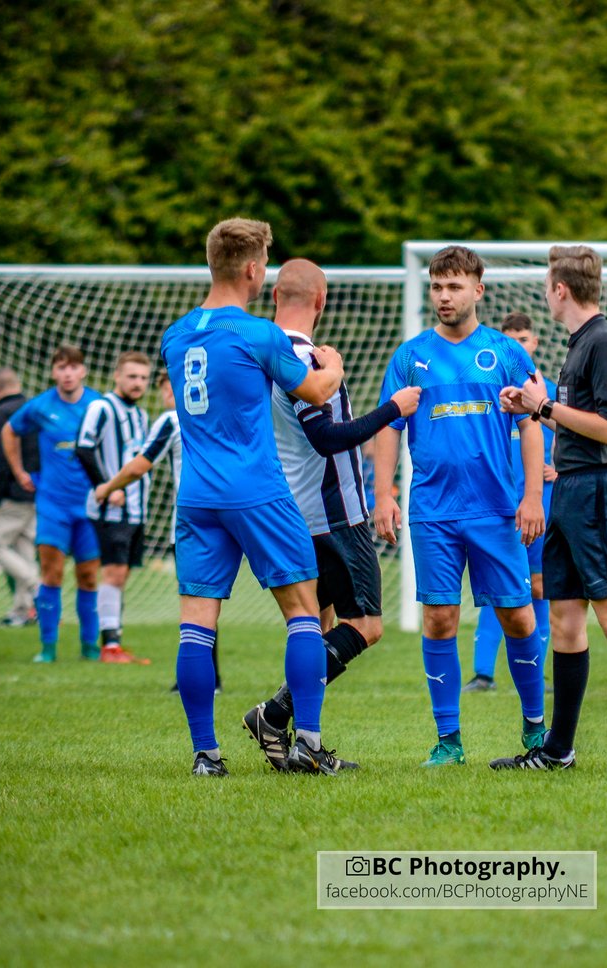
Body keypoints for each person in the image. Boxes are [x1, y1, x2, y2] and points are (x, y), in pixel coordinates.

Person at [160, 217, 346, 777]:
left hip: (196, 495)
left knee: (197, 624)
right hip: (257, 491)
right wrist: (333, 361)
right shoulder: (258, 333)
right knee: (303, 613)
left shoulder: (175, 335)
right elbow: (315, 388)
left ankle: (206, 755)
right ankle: (309, 743)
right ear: (253, 269)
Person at [242, 259, 422, 771]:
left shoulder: (261, 354)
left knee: (313, 627)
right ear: (320, 301)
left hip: (292, 510)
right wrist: (393, 408)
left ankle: (305, 742)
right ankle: (276, 716)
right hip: (333, 515)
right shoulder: (299, 357)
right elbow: (325, 439)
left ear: (276, 294)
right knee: (365, 625)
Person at [373, 245, 548, 767]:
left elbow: (531, 424)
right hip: (433, 512)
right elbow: (388, 425)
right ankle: (448, 741)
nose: (444, 296)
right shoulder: (410, 357)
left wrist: (533, 495)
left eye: (454, 286)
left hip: (495, 511)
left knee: (518, 618)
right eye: (437, 286)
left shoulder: (507, 353)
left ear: (478, 289)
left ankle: (536, 730)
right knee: (440, 620)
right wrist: (384, 493)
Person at [496, 244, 607, 771]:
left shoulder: (604, 342)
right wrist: (532, 407)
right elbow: (576, 421)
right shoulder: (576, 343)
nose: (545, 292)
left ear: (560, 289)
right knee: (563, 619)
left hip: (598, 493)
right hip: (568, 490)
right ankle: (558, 751)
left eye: (547, 284)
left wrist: (544, 407)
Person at [93, 371, 222, 692]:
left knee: (196, 606)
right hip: (231, 519)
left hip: (194, 524)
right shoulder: (219, 415)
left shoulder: (172, 420)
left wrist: (108, 486)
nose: (165, 393)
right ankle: (213, 678)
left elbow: (140, 464)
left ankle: (196, 681)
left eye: (168, 387)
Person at [463, 312, 558, 693]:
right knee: (495, 586)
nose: (519, 343)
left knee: (539, 586)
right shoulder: (485, 387)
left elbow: (578, 433)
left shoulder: (547, 391)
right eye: (511, 336)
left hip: (542, 502)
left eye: (525, 337)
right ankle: (483, 673)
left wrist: (562, 469)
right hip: (496, 502)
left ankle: (539, 671)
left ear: (534, 343)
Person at [2, 346, 103, 663]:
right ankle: (48, 647)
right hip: (52, 506)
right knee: (51, 573)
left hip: (88, 506)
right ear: (53, 372)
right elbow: (10, 430)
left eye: (73, 367)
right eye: (61, 367)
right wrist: (19, 471)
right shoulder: (41, 406)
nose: (68, 373)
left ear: (83, 371)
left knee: (88, 576)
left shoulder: (98, 405)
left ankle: (89, 646)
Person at [76, 351, 153, 663]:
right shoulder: (101, 407)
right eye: (132, 376)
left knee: (121, 576)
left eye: (143, 378)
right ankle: (109, 646)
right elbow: (83, 449)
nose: (138, 383)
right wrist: (105, 487)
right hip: (112, 510)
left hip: (136, 510)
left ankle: (113, 639)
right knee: (113, 573)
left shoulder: (141, 416)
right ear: (117, 376)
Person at [0, 368, 40, 626]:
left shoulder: (3, 412)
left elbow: (3, 458)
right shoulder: (33, 409)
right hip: (36, 491)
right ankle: (23, 610)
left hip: (14, 494)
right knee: (23, 548)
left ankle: (37, 587)